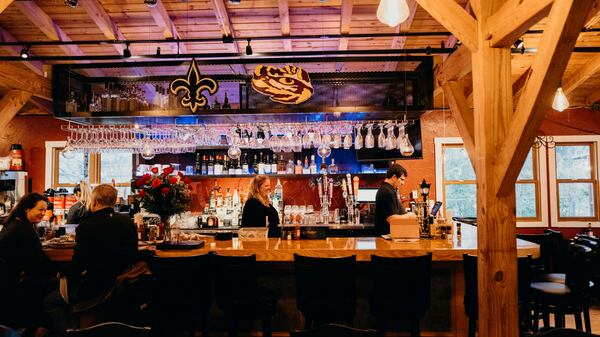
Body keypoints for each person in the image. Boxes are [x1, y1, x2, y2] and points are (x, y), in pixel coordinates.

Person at [45, 184, 139, 336]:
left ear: (94, 202)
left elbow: (79, 265)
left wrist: (60, 271)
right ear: (114, 201)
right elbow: (133, 253)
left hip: (94, 288)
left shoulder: (86, 227)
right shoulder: (127, 221)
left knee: (50, 301)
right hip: (123, 284)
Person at [0, 193, 55, 335]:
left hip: (8, 285)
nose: (43, 214)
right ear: (27, 209)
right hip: (14, 288)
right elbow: (37, 264)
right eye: (40, 210)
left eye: (45, 210)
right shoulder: (24, 229)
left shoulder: (13, 223)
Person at [374, 163, 415, 236]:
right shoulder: (387, 192)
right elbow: (392, 219)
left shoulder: (387, 189)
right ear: (394, 177)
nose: (403, 183)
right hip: (387, 239)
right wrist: (410, 216)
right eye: (401, 179)